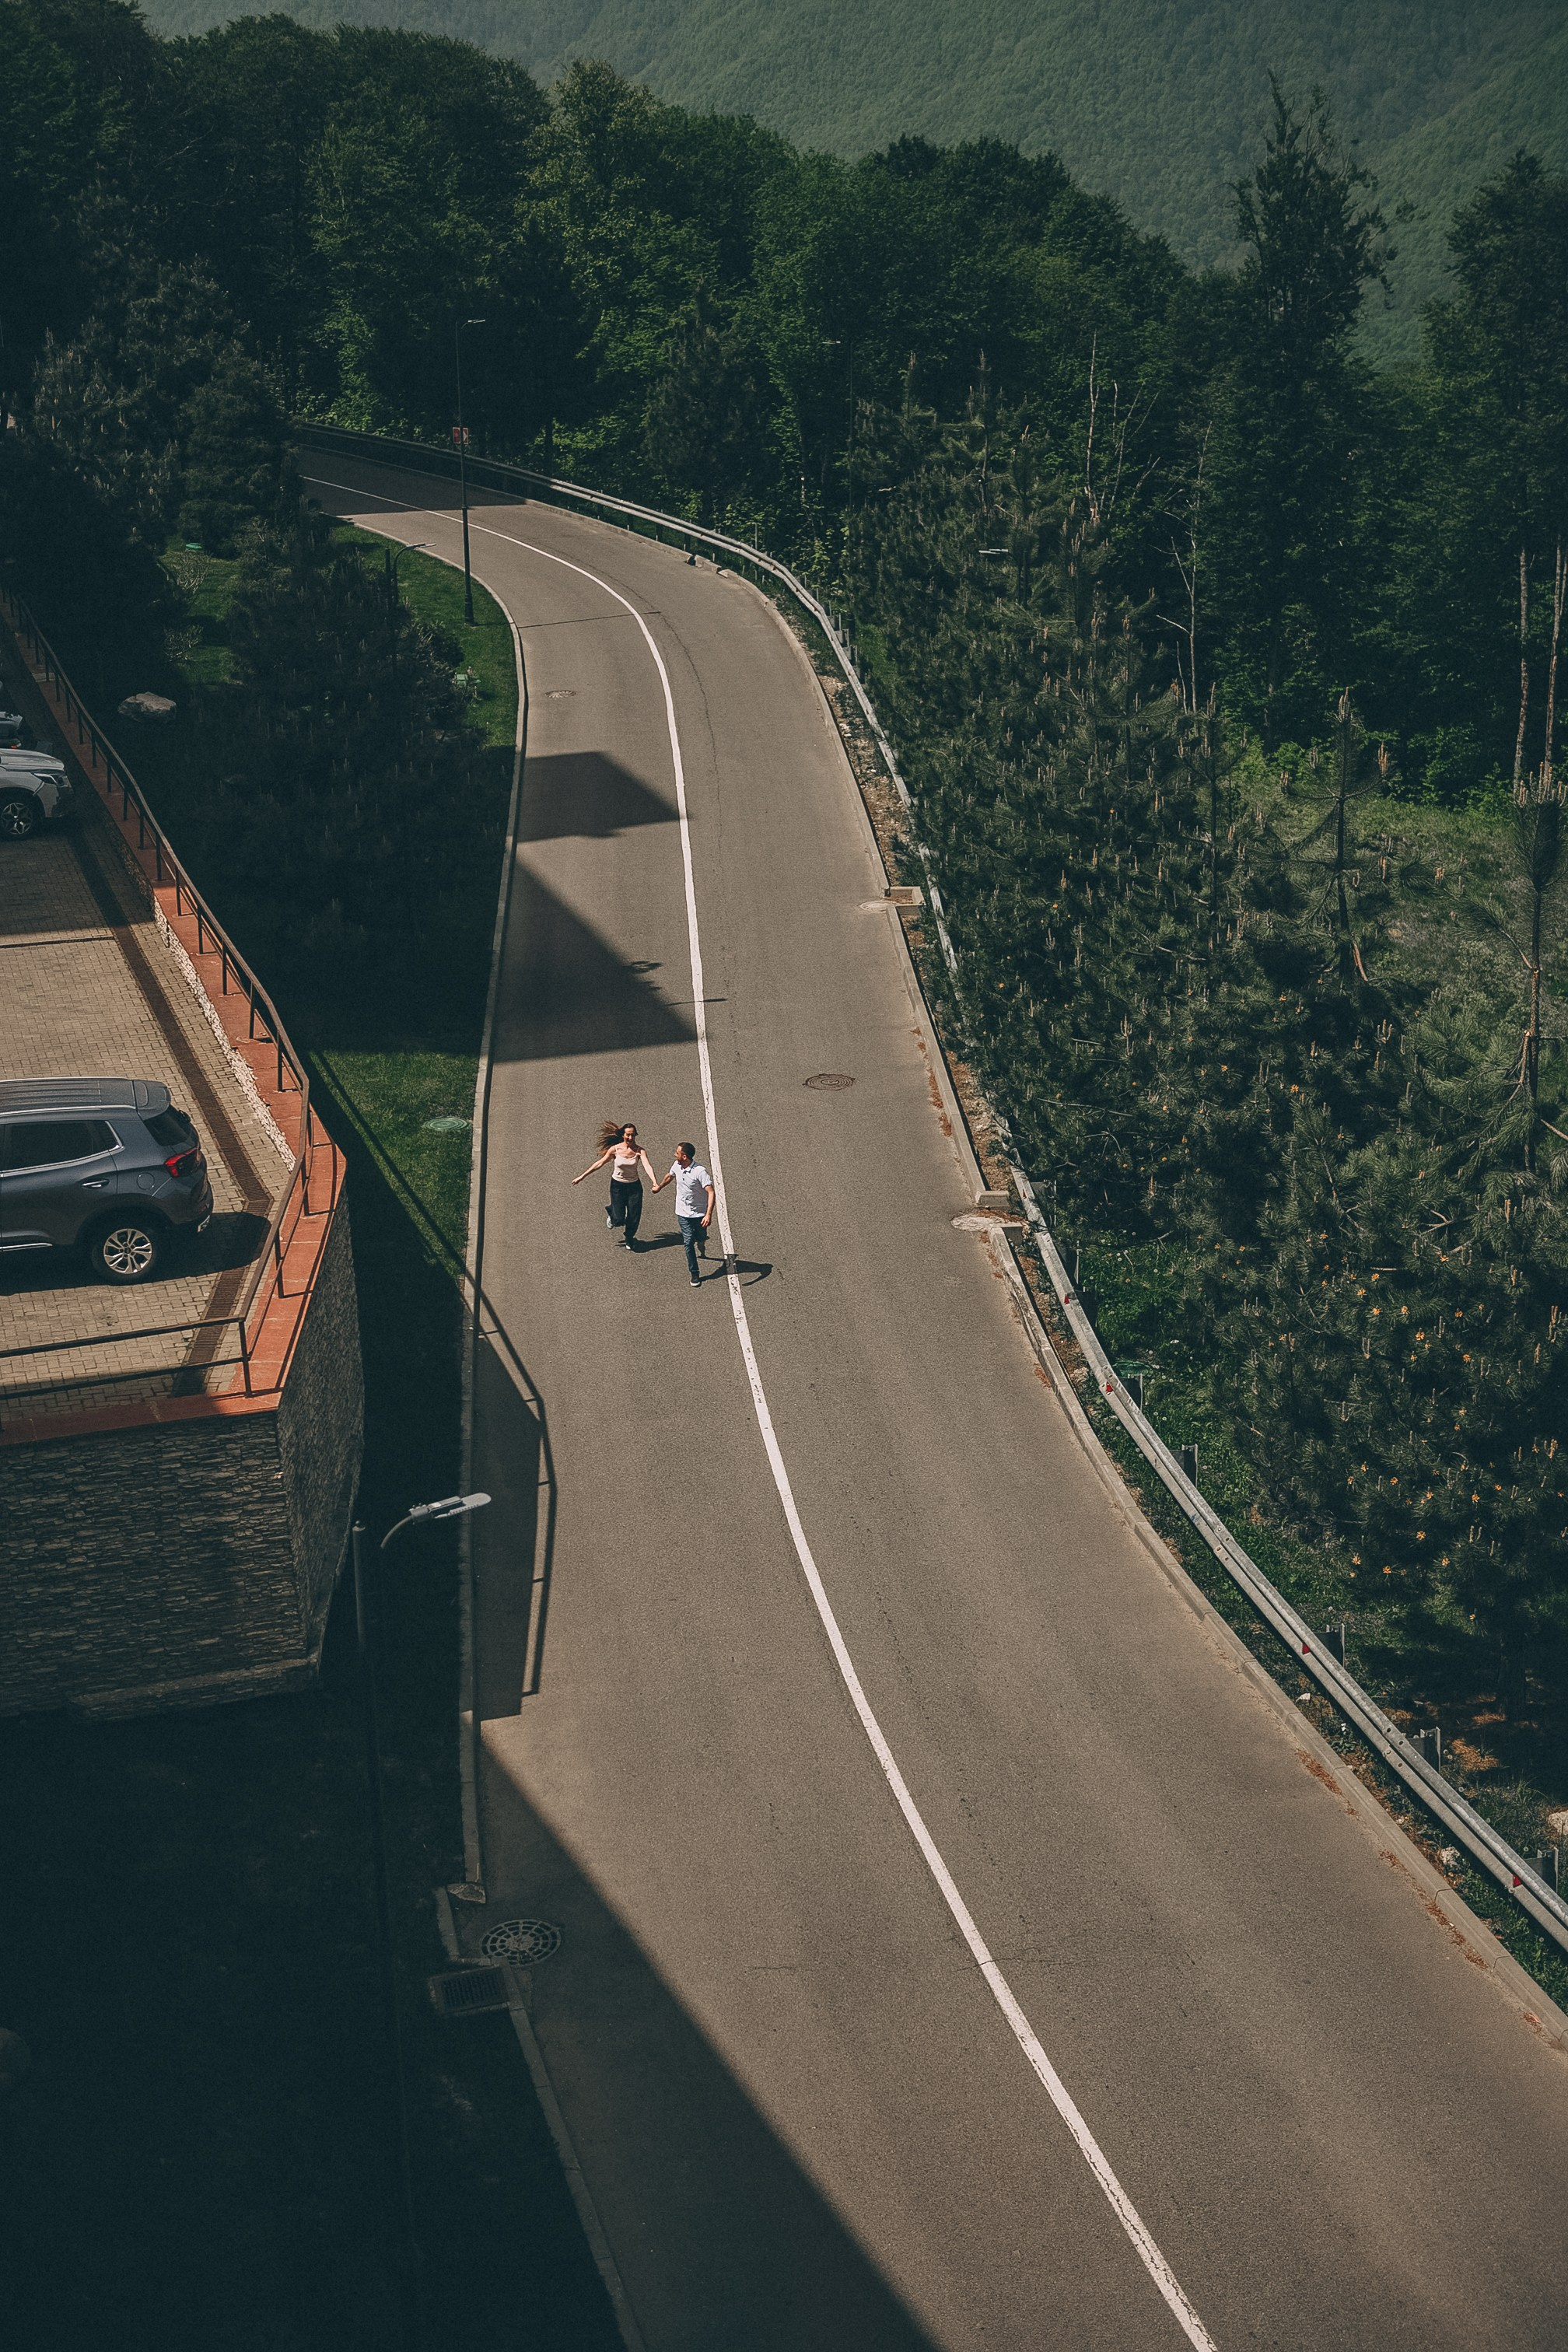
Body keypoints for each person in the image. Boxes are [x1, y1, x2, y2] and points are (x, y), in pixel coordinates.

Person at [572, 1122, 658, 1248]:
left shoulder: (640, 1151)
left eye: (633, 1135)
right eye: (628, 1135)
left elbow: (647, 1166)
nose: (630, 1138)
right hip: (618, 1186)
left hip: (634, 1187)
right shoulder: (615, 1150)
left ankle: (629, 1238)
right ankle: (612, 1214)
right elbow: (599, 1163)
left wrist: (654, 1182)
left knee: (634, 1216)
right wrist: (582, 1176)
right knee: (618, 1219)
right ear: (623, 1135)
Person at [666, 1141, 715, 1286]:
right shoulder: (677, 1165)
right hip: (683, 1213)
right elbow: (670, 1176)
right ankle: (695, 1273)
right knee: (688, 1242)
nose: (675, 1154)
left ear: (684, 1156)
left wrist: (708, 1215)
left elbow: (711, 1192)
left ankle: (701, 1242)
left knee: (700, 1237)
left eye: (677, 1153)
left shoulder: (700, 1172)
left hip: (699, 1214)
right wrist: (659, 1187)